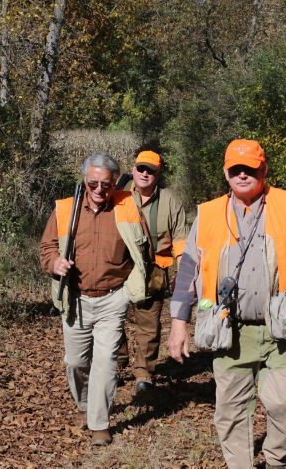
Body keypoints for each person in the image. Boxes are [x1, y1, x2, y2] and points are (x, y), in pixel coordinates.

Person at [167, 139, 286, 469]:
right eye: (236, 169)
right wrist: (179, 322)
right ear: (226, 173)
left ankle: (277, 462)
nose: (243, 175)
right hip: (229, 331)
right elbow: (188, 271)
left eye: (250, 169)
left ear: (263, 170)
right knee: (231, 412)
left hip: (284, 329)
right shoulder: (208, 213)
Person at [39, 152, 150, 447]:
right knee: (76, 363)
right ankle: (86, 404)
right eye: (93, 184)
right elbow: (47, 246)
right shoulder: (65, 209)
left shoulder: (128, 206)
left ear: (115, 182)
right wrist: (54, 264)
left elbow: (144, 249)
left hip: (113, 300)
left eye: (106, 184)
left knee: (105, 363)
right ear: (85, 181)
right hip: (75, 299)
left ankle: (99, 422)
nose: (99, 190)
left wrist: (128, 292)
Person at [117, 150, 189, 391]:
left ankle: (144, 372)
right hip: (121, 267)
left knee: (149, 325)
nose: (145, 173)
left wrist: (183, 271)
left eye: (151, 170)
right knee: (113, 319)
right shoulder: (119, 196)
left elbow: (180, 238)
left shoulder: (170, 200)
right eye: (141, 169)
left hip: (155, 269)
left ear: (158, 175)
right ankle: (115, 365)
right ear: (133, 170)